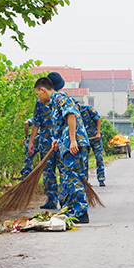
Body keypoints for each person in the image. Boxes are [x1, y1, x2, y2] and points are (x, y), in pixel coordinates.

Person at [33, 76, 90, 224]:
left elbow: (71, 115)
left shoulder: (60, 97)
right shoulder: (54, 104)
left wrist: (72, 140)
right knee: (67, 179)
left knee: (74, 177)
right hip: (65, 144)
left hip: (74, 143)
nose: (38, 98)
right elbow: (62, 123)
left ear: (43, 90)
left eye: (37, 94)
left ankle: (80, 212)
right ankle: (71, 209)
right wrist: (57, 141)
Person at [27, 71, 65, 210]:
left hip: (56, 141)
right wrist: (31, 142)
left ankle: (59, 199)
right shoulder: (42, 102)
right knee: (53, 171)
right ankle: (54, 200)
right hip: (50, 141)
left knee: (58, 171)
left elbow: (36, 123)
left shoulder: (60, 101)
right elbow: (36, 122)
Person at [78, 103, 105, 186]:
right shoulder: (74, 114)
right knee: (84, 160)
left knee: (99, 157)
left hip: (95, 138)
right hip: (85, 140)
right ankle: (86, 182)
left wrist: (98, 133)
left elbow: (98, 119)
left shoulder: (88, 109)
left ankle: (101, 179)